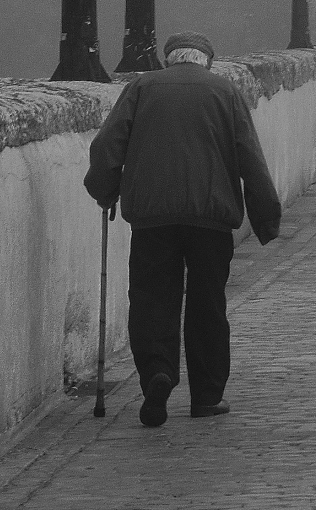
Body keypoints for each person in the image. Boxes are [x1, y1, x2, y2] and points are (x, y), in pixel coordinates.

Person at [83, 32, 281, 428]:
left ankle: (158, 371)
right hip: (210, 216)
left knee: (152, 296)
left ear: (167, 60)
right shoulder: (224, 91)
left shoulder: (141, 87)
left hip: (152, 216)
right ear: (207, 60)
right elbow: (250, 158)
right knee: (208, 302)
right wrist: (266, 218)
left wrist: (104, 190)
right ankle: (206, 396)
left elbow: (108, 145)